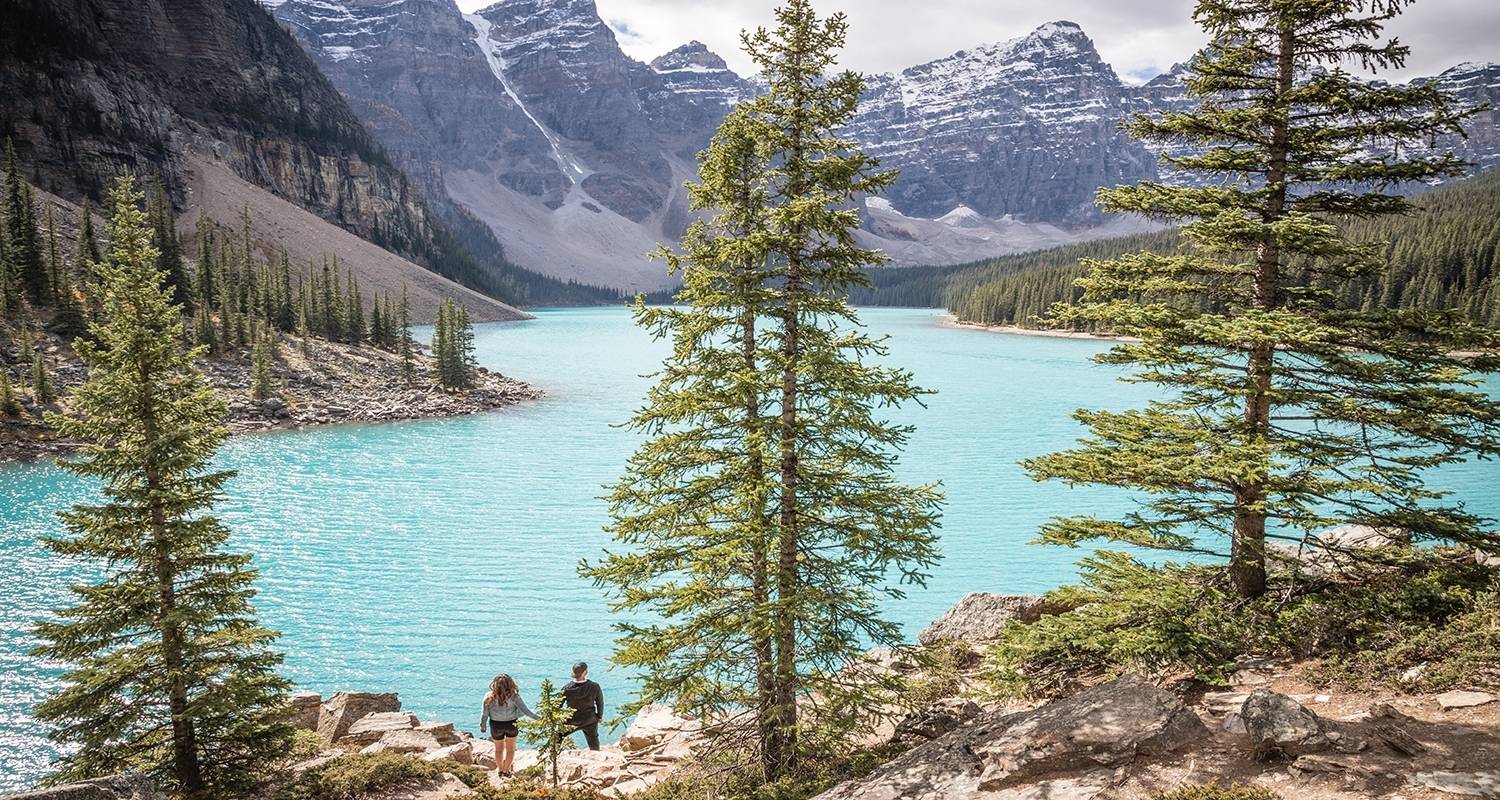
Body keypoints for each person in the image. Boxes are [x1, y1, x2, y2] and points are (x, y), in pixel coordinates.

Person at [480, 674, 537, 776]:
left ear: (494, 684)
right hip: (512, 724)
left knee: (498, 749)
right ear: (511, 684)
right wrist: (542, 719)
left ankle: (500, 770)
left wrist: (483, 725)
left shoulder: (488, 696)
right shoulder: (514, 696)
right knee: (510, 749)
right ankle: (506, 771)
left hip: (495, 725)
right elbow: (527, 711)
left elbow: (485, 714)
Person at [560, 661, 604, 750]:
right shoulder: (595, 686)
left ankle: (553, 756)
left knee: (558, 737)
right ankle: (595, 755)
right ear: (584, 673)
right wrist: (599, 717)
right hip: (590, 720)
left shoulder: (566, 688)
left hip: (571, 720)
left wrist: (556, 718)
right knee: (593, 741)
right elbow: (600, 703)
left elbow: (558, 705)